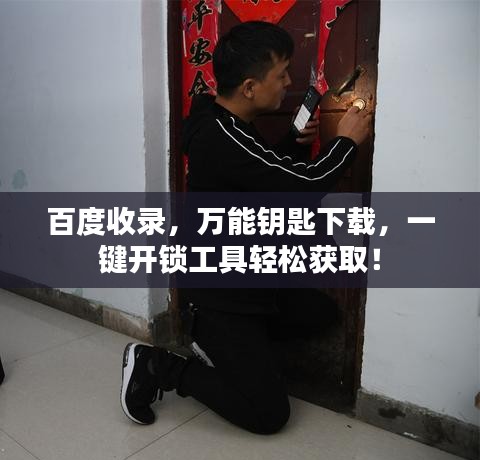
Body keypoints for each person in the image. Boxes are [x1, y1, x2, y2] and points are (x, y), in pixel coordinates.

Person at [121, 21, 371, 434]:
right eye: (282, 74)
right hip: (221, 295)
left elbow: (255, 178)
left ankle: (238, 355)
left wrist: (291, 142)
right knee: (268, 416)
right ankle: (159, 365)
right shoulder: (221, 136)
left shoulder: (228, 124)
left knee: (318, 313)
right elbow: (302, 187)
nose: (288, 82)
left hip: (250, 279)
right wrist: (346, 142)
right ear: (251, 87)